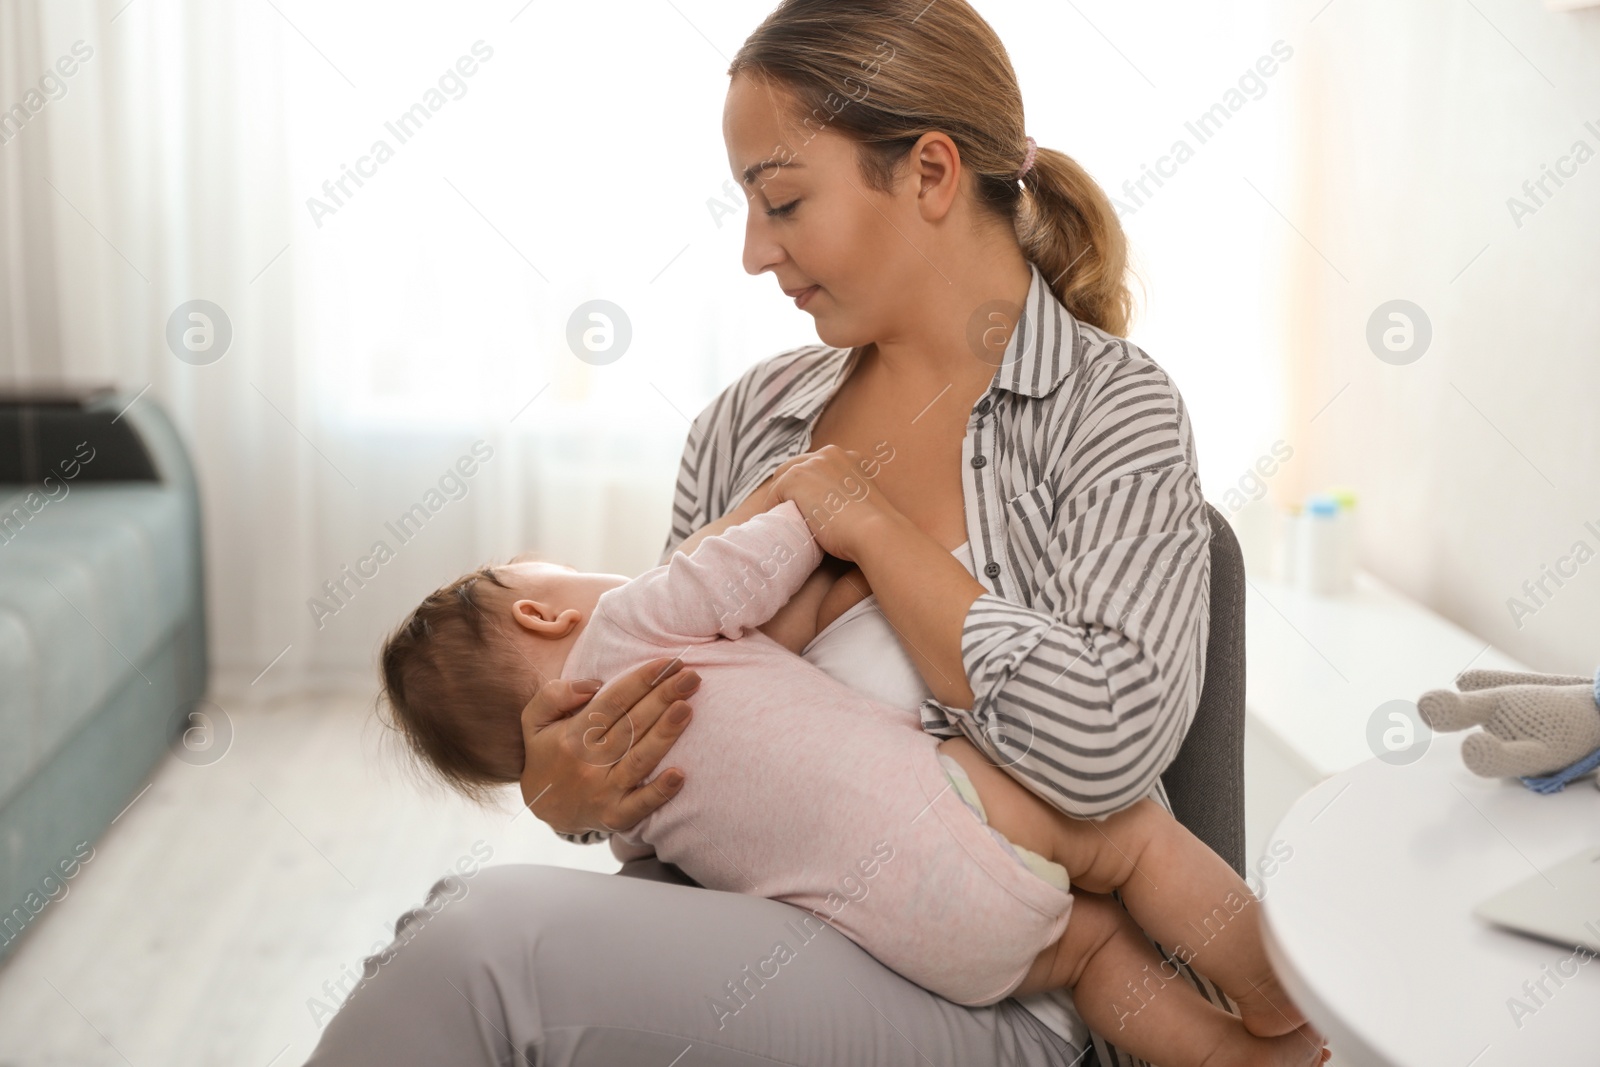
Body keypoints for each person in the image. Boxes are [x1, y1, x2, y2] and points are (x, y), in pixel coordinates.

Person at [305, 1, 1252, 1064]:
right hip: (776, 947)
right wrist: (586, 797)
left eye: (784, 200)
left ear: (931, 174)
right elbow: (700, 799)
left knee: (477, 947)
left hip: (1016, 987)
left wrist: (869, 527)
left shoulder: (1108, 409)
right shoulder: (748, 424)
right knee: (466, 944)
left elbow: (1104, 751)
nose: (755, 252)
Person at [374, 498, 1328, 1067]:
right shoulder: (631, 623)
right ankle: (1278, 994)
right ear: (543, 612)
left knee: (1087, 956)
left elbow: (661, 870)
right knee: (1129, 844)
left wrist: (579, 813)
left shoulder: (633, 824)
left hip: (904, 942)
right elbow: (735, 570)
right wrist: (815, 505)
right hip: (941, 812)